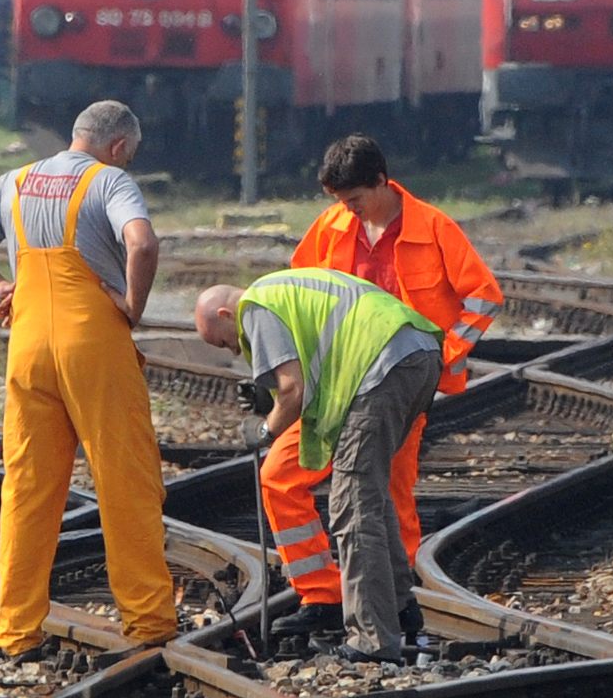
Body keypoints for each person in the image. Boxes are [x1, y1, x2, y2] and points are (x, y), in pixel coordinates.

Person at [0, 100, 178, 658]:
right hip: (94, 346)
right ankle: (148, 621)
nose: (128, 162)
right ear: (118, 146)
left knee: (28, 488)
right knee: (125, 480)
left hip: (28, 347)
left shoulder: (15, 182)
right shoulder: (110, 182)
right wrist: (133, 306)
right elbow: (142, 243)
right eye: (129, 155)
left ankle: (16, 632)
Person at [259, 134, 503, 641]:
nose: (347, 209)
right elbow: (298, 295)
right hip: (334, 389)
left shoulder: (432, 227)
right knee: (280, 477)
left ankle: (398, 603)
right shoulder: (332, 226)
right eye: (340, 201)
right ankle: (321, 595)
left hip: (396, 385)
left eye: (354, 199)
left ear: (381, 182)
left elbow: (483, 297)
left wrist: (443, 359)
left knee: (391, 492)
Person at [195, 270, 442, 664]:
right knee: (372, 499)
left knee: (352, 508)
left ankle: (372, 641)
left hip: (382, 366)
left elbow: (293, 390)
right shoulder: (282, 290)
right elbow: (315, 366)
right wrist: (270, 398)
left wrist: (264, 429)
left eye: (225, 341)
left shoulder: (255, 307)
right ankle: (399, 610)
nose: (234, 350)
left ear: (226, 314)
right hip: (417, 353)